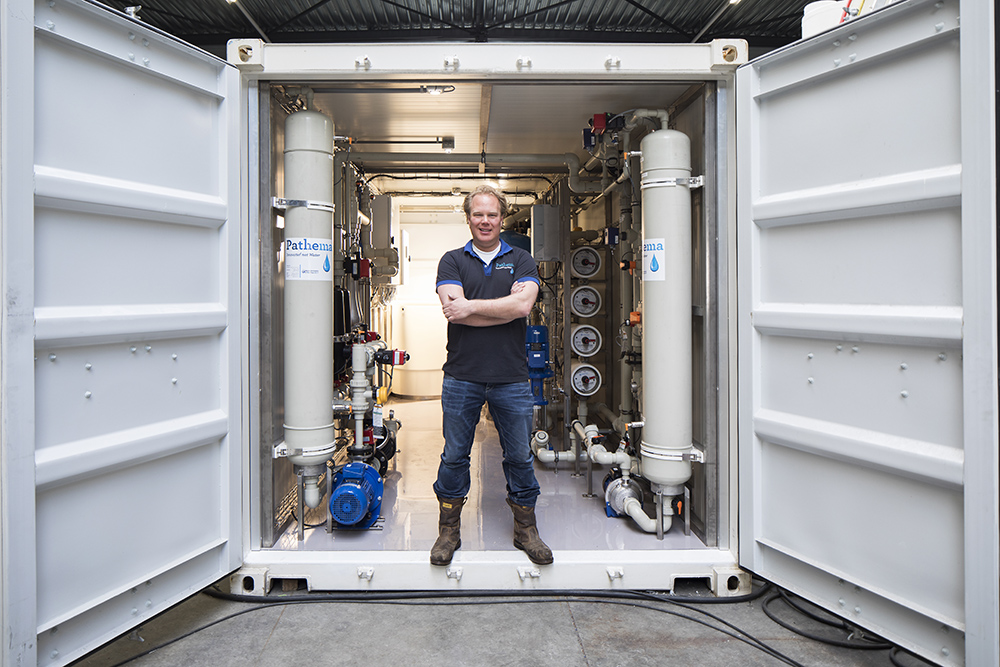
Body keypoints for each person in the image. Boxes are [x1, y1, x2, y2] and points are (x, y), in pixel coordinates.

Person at [430, 184, 553, 566]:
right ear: (468, 218)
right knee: (454, 456)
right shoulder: (451, 261)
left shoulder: (522, 258)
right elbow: (454, 310)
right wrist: (498, 307)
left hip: (511, 377)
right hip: (462, 376)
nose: (485, 221)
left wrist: (472, 307)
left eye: (492, 214)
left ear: (502, 218)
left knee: (519, 456)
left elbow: (522, 307)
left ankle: (525, 530)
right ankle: (448, 531)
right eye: (478, 214)